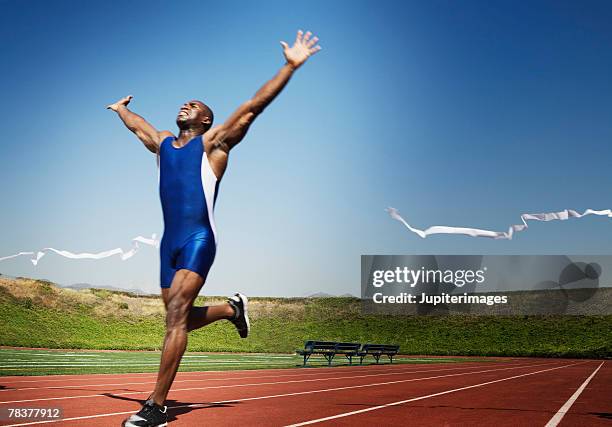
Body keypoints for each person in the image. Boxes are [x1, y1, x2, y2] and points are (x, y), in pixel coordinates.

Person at [107, 30, 321, 427]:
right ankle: (231, 308)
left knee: (175, 318)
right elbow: (139, 126)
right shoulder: (164, 142)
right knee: (181, 319)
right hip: (167, 244)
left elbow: (253, 106)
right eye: (184, 103)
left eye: (196, 105)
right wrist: (120, 109)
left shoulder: (214, 145)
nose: (187, 105)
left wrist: (290, 66)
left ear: (206, 120)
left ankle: (156, 407)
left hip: (197, 240)